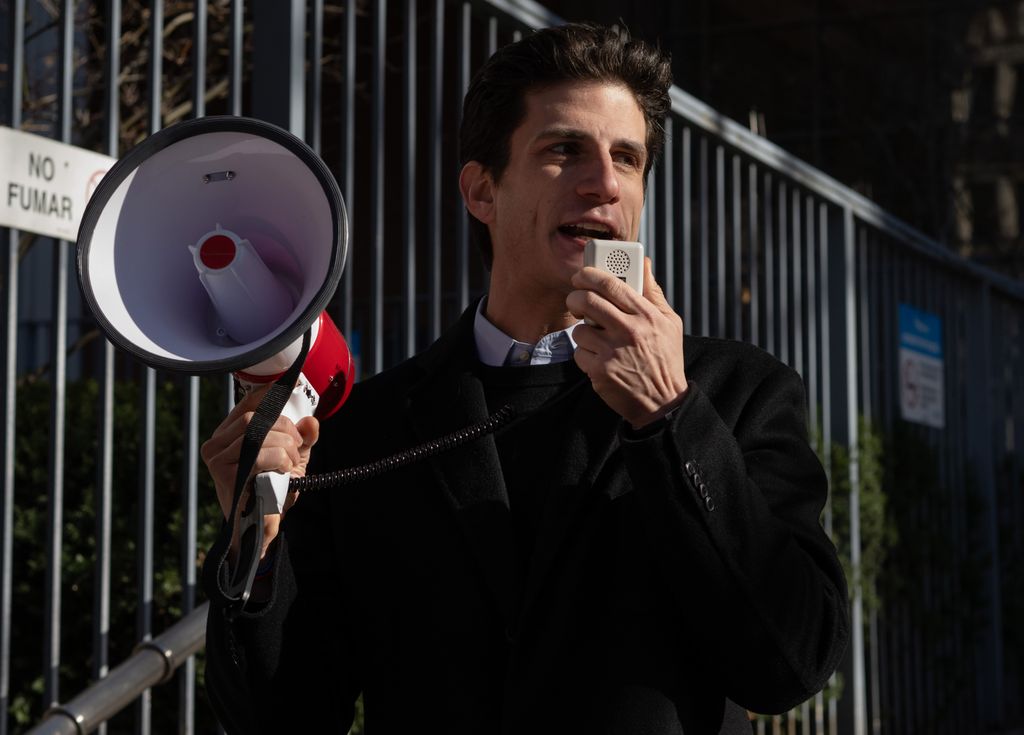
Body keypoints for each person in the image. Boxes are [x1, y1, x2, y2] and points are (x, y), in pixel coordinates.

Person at [201, 23, 849, 734]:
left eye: (627, 158)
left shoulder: (737, 392)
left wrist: (669, 416)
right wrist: (254, 544)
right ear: (482, 190)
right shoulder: (368, 426)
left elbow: (790, 663)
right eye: (564, 149)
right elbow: (285, 717)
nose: (603, 183)